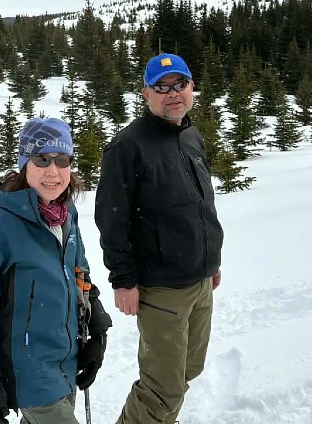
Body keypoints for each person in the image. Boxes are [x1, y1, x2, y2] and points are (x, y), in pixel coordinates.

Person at [95, 53, 224, 424]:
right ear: (146, 93)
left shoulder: (191, 135)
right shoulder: (127, 146)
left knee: (187, 369)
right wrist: (123, 281)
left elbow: (201, 205)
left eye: (179, 84)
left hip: (201, 280)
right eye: (161, 87)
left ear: (191, 87)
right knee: (161, 387)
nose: (172, 94)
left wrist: (211, 262)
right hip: (162, 287)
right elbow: (111, 219)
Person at [0, 117, 113, 424]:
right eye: (42, 159)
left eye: (62, 160)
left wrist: (97, 332)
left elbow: (80, 276)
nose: (53, 171)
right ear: (24, 164)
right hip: (30, 373)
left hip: (66, 362)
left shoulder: (67, 216)